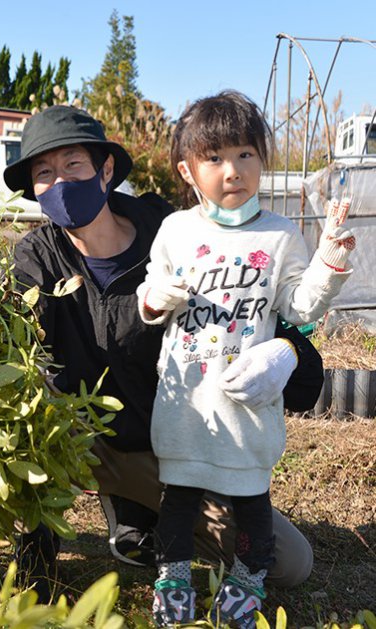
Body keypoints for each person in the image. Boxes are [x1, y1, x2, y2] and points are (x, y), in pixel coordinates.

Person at [2, 105, 326, 605]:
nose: (60, 183)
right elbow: (8, 348)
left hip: (167, 446)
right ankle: (36, 549)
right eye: (44, 174)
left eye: (74, 166)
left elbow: (285, 331)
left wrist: (285, 352)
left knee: (288, 562)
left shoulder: (175, 235)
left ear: (106, 171)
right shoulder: (36, 258)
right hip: (73, 443)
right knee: (9, 438)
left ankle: (135, 512)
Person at [136, 91, 353, 627]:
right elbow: (150, 295)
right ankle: (173, 574)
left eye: (245, 154)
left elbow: (299, 308)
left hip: (247, 401)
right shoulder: (175, 230)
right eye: (214, 158)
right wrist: (157, 298)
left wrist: (327, 264)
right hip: (186, 401)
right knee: (179, 497)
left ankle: (249, 573)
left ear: (262, 158)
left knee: (252, 499)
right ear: (188, 171)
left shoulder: (280, 235)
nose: (232, 170)